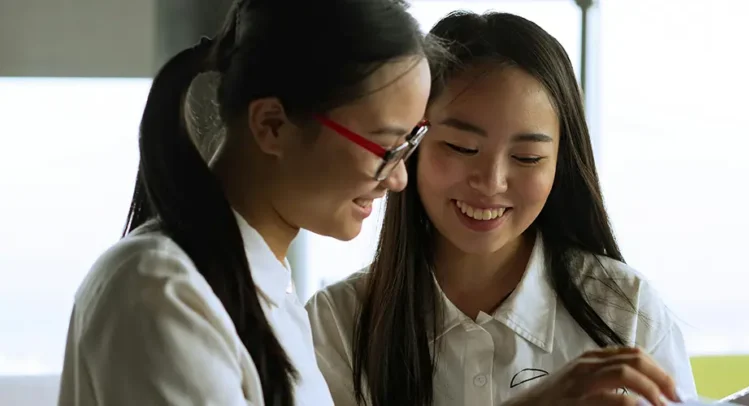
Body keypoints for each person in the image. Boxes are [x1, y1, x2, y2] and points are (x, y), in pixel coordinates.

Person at [307, 10, 698, 406]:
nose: (491, 182)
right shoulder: (337, 323)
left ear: (561, 164)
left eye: (527, 157)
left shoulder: (625, 310)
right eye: (461, 148)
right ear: (412, 146)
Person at [57, 0, 435, 404]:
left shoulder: (268, 297)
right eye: (384, 148)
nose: (398, 179)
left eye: (409, 144)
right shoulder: (163, 290)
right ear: (272, 125)